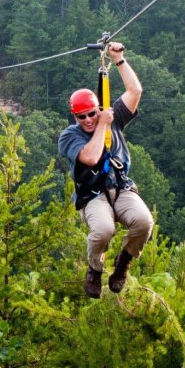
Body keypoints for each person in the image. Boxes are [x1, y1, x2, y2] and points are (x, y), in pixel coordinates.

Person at [57, 42, 154, 298]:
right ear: (74, 117)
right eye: (81, 116)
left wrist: (119, 59)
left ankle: (123, 264)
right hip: (92, 194)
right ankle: (95, 269)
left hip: (120, 186)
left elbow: (135, 90)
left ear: (97, 109)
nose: (88, 119)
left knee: (144, 223)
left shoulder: (112, 118)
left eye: (91, 114)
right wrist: (102, 124)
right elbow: (89, 157)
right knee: (103, 230)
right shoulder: (70, 136)